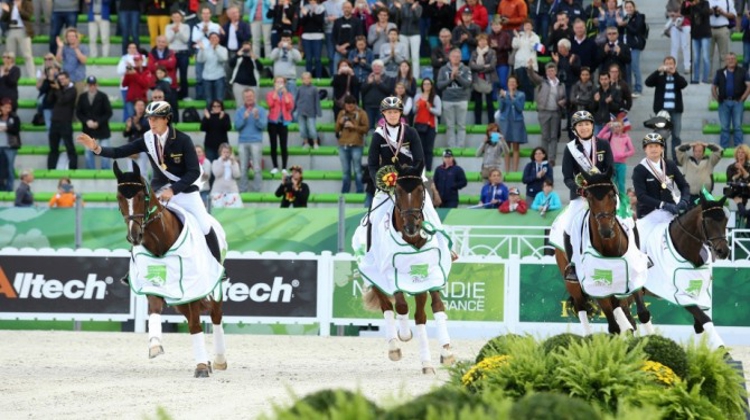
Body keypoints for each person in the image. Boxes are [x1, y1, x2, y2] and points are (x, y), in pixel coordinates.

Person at [77, 101, 224, 266]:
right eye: (149, 119)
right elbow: (119, 151)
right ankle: (135, 266)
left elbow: (194, 172)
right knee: (139, 220)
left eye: (155, 119)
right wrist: (96, 148)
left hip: (185, 190)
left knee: (204, 225)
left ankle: (218, 267)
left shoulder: (183, 140)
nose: (151, 123)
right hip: (159, 189)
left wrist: (174, 190)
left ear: (167, 119)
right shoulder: (147, 139)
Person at [550, 110, 614, 282]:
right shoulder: (570, 149)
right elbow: (567, 177)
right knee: (569, 225)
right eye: (580, 125)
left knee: (628, 219)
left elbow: (611, 169)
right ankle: (572, 265)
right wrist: (580, 190)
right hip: (581, 196)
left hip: (603, 193)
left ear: (592, 126)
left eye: (587, 124)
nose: (584, 127)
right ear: (575, 129)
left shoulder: (603, 144)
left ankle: (635, 256)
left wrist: (600, 184)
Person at [631, 132, 691, 248]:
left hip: (670, 212)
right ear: (645, 149)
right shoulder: (640, 169)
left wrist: (684, 200)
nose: (654, 149)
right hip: (648, 215)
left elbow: (684, 186)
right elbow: (641, 196)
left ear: (662, 148)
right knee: (640, 247)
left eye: (657, 146)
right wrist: (662, 204)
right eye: (650, 146)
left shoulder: (670, 165)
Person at [645, 56, 688, 161]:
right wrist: (657, 71)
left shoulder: (677, 77)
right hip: (662, 112)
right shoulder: (659, 77)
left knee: (676, 135)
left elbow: (684, 84)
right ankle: (663, 159)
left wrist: (675, 73)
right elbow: (648, 82)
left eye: (671, 63)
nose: (669, 66)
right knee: (661, 136)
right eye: (667, 63)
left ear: (674, 65)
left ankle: (676, 158)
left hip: (675, 111)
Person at [529, 62, 567, 169]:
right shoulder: (542, 82)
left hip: (556, 112)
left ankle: (551, 159)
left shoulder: (561, 85)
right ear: (546, 72)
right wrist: (530, 68)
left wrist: (562, 102)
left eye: (552, 70)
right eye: (549, 71)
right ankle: (544, 157)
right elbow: (532, 76)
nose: (551, 72)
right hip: (544, 111)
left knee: (554, 136)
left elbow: (564, 97)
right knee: (545, 136)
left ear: (556, 72)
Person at [711, 52, 750, 148]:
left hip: (738, 102)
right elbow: (713, 87)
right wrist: (717, 99)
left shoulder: (743, 71)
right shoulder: (719, 72)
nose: (731, 60)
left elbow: (749, 86)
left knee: (737, 127)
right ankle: (723, 148)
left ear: (736, 60)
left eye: (733, 58)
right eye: (729, 59)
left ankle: (739, 149)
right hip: (723, 102)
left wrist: (743, 98)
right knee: (724, 127)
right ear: (725, 61)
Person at [598, 116, 635, 217]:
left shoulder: (626, 138)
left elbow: (632, 151)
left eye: (619, 126)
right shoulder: (609, 135)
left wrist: (623, 155)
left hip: (621, 164)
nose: (617, 128)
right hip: (611, 164)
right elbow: (599, 137)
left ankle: (623, 206)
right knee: (612, 184)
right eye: (615, 126)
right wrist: (606, 127)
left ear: (622, 127)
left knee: (621, 184)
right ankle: (612, 203)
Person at [437, 49, 472, 149]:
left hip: (462, 100)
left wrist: (457, 77)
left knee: (461, 125)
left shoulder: (466, 69)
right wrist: (451, 79)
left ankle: (460, 146)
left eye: (458, 56)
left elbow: (467, 84)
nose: (456, 58)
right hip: (447, 100)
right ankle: (451, 147)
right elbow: (439, 85)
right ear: (449, 57)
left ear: (461, 58)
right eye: (454, 56)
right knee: (450, 126)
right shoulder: (443, 69)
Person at [235, 88, 268, 192]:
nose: (249, 98)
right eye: (246, 97)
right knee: (243, 168)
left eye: (250, 96)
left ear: (254, 97)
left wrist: (257, 117)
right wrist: (244, 118)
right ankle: (243, 190)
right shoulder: (239, 111)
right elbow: (236, 127)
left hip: (256, 141)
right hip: (242, 141)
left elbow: (263, 126)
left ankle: (257, 190)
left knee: (257, 168)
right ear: (243, 98)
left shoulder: (261, 110)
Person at [77, 76, 113, 170]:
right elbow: (78, 112)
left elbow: (108, 112)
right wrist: (86, 121)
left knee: (105, 152)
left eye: (93, 85)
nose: (92, 87)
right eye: (90, 85)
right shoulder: (82, 97)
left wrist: (98, 122)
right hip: (88, 130)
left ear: (96, 85)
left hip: (102, 129)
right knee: (88, 153)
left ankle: (105, 170)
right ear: (87, 85)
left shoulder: (103, 96)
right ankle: (90, 171)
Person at [336, 95, 369, 194]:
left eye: (351, 105)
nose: (349, 108)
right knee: (345, 171)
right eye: (347, 105)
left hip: (356, 145)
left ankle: (359, 191)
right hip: (343, 144)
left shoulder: (362, 113)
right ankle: (345, 192)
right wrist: (340, 123)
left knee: (358, 170)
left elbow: (366, 128)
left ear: (355, 104)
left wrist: (354, 126)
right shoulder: (341, 113)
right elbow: (336, 130)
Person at [47, 71, 78, 169]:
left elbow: (63, 100)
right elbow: (49, 100)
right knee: (53, 148)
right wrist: (53, 89)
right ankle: (50, 169)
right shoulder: (58, 89)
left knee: (70, 147)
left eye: (63, 79)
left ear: (68, 78)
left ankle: (73, 168)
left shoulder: (73, 90)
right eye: (60, 80)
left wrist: (57, 90)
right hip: (55, 122)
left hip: (65, 122)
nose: (61, 81)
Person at [497, 75, 528, 172]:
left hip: (516, 122)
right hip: (505, 122)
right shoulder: (503, 94)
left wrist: (511, 97)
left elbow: (520, 108)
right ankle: (506, 170)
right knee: (506, 147)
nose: (512, 84)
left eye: (514, 82)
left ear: (517, 84)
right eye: (510, 82)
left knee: (516, 147)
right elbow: (501, 108)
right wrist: (502, 98)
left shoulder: (521, 94)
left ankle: (514, 170)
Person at [266, 76, 294, 175]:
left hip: (283, 123)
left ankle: (284, 167)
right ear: (274, 83)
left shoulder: (288, 95)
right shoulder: (270, 94)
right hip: (272, 122)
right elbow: (270, 104)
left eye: (281, 82)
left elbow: (290, 106)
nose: (279, 84)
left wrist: (285, 95)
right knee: (273, 145)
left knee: (283, 145)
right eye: (277, 82)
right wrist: (276, 92)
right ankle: (275, 166)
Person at [413, 78, 441, 172]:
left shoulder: (435, 97)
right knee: (419, 149)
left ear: (431, 86)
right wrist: (416, 107)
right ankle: (420, 170)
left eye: (428, 84)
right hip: (419, 125)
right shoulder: (417, 96)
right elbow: (414, 111)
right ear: (422, 86)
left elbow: (439, 112)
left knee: (429, 149)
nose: (426, 86)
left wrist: (430, 109)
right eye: (425, 84)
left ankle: (428, 169)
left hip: (431, 126)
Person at [1, 0, 35, 78]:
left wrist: (20, 9)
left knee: (27, 55)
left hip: (23, 30)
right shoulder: (10, 4)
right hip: (11, 30)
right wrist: (5, 11)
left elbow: (29, 16)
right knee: (10, 56)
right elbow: (3, 19)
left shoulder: (27, 3)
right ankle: (10, 76)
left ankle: (32, 76)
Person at [469, 33, 497, 125]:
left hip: (488, 80)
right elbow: (471, 66)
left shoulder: (492, 52)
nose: (482, 42)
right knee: (478, 103)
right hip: (477, 80)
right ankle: (478, 123)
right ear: (478, 42)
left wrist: (479, 68)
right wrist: (484, 66)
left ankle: (491, 123)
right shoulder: (474, 52)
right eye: (480, 40)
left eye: (484, 40)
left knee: (490, 103)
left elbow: (492, 66)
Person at [683, 0, 712, 84]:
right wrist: (685, 4)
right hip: (695, 34)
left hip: (705, 34)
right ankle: (696, 78)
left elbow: (704, 13)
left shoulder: (705, 3)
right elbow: (683, 12)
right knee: (696, 58)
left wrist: (695, 5)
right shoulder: (692, 6)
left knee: (705, 57)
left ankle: (705, 79)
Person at [117, 44, 148, 122]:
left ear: (142, 60)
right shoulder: (131, 70)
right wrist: (127, 73)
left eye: (138, 60)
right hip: (131, 98)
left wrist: (134, 73)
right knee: (131, 118)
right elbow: (124, 84)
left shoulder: (146, 71)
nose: (136, 62)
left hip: (141, 98)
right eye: (135, 61)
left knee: (142, 119)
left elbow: (144, 84)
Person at [165, 10, 191, 101]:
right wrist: (173, 32)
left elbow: (185, 40)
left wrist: (178, 31)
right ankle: (172, 94)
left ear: (181, 18)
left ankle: (185, 95)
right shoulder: (168, 27)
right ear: (172, 18)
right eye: (174, 17)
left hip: (183, 53)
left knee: (183, 75)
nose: (176, 19)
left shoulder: (186, 26)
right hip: (172, 53)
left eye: (178, 17)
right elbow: (168, 40)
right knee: (172, 75)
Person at [511, 20, 540, 101]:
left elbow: (535, 48)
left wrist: (529, 38)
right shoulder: (519, 35)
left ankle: (529, 103)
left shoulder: (536, 37)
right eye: (525, 25)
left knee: (529, 85)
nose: (527, 27)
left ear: (532, 27)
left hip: (531, 65)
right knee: (520, 85)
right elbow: (514, 46)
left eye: (529, 25)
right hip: (519, 64)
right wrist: (517, 37)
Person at [197, 32, 229, 107]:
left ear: (219, 39)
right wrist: (201, 50)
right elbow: (200, 60)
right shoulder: (205, 49)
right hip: (207, 78)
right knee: (208, 101)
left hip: (219, 77)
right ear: (209, 40)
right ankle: (209, 117)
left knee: (219, 99)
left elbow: (223, 59)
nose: (214, 39)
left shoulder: (223, 49)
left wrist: (216, 49)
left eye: (215, 38)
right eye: (212, 38)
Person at [56, 28, 89, 100]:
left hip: (78, 78)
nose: (71, 38)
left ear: (77, 37)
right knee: (66, 101)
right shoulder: (64, 48)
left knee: (78, 100)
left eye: (73, 36)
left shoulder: (83, 47)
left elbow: (83, 61)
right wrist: (60, 48)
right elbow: (58, 60)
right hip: (66, 79)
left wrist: (76, 49)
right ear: (66, 38)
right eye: (69, 36)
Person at [361, 59, 393, 130]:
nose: (376, 68)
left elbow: (389, 91)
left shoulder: (387, 78)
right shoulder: (368, 77)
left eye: (378, 66)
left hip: (382, 107)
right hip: (369, 106)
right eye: (374, 66)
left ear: (382, 68)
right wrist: (368, 83)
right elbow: (362, 91)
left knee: (382, 127)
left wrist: (379, 83)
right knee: (369, 127)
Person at [299, 0, 326, 78]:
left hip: (318, 36)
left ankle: (318, 77)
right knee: (308, 59)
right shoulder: (304, 8)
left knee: (317, 58)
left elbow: (320, 22)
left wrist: (313, 13)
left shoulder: (321, 8)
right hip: (306, 36)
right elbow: (301, 23)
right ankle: (308, 77)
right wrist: (306, 14)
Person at [708, 0, 736, 75]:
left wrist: (723, 12)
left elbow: (733, 15)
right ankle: (707, 77)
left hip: (723, 28)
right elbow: (701, 13)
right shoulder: (706, 1)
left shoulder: (728, 1)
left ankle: (723, 77)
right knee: (708, 56)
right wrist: (711, 11)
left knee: (724, 56)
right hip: (709, 29)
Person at [295, 72, 323, 149]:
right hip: (301, 112)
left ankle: (315, 143)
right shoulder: (299, 89)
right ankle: (306, 142)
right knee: (302, 129)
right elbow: (296, 100)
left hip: (311, 112)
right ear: (302, 80)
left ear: (311, 79)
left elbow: (317, 101)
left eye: (308, 78)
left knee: (312, 129)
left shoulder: (314, 89)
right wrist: (292, 110)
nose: (306, 80)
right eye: (304, 78)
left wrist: (318, 112)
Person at [211, 143, 243, 208]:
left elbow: (237, 175)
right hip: (218, 191)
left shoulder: (234, 163)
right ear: (220, 153)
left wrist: (233, 163)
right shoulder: (216, 162)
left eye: (228, 152)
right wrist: (222, 162)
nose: (226, 154)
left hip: (232, 191)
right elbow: (217, 173)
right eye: (224, 152)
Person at [270, 31, 301, 97]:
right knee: (278, 101)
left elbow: (298, 60)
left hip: (291, 79)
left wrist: (291, 50)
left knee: (292, 101)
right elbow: (272, 58)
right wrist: (278, 48)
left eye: (288, 40)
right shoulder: (276, 50)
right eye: (283, 40)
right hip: (278, 80)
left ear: (291, 41)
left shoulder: (294, 51)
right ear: (280, 41)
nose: (285, 42)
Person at [123, 98, 150, 174]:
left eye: (142, 105)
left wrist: (137, 124)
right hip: (131, 147)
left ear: (144, 107)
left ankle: (144, 186)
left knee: (142, 172)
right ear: (134, 107)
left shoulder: (148, 119)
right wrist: (128, 127)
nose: (140, 107)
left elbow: (146, 132)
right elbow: (125, 134)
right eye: (138, 105)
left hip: (142, 148)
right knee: (131, 172)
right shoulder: (131, 118)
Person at [667, 0, 692, 75]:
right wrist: (671, 14)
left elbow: (691, 14)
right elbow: (667, 12)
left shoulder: (689, 2)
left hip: (686, 25)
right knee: (674, 46)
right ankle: (673, 66)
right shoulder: (671, 2)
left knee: (686, 46)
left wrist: (679, 14)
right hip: (674, 25)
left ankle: (687, 66)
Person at [0, 97, 20, 191]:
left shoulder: (14, 117)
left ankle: (9, 187)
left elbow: (16, 130)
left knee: (10, 167)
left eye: (9, 107)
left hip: (10, 146)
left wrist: (7, 128)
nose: (7, 109)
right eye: (5, 107)